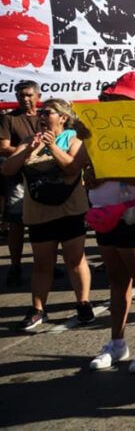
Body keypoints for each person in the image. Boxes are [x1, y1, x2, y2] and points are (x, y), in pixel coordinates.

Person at [85, 72, 135, 373]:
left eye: (124, 98)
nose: (116, 101)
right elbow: (81, 171)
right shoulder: (96, 130)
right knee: (117, 280)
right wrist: (91, 175)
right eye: (114, 96)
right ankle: (117, 343)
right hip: (104, 212)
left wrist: (108, 174)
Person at [1, 98, 93, 331]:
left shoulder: (75, 138)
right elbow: (7, 169)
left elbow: (73, 167)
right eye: (41, 112)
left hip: (70, 210)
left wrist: (52, 147)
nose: (42, 116)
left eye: (48, 112)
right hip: (39, 212)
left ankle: (83, 304)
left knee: (75, 260)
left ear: (62, 117)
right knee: (42, 264)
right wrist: (29, 149)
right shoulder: (29, 140)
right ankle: (38, 309)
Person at [0, 80, 42, 287]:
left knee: (42, 222)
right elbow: (3, 147)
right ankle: (15, 266)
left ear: (37, 96)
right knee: (17, 222)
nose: (24, 99)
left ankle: (43, 264)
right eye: (20, 96)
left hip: (44, 175)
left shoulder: (46, 116)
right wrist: (28, 151)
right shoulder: (9, 119)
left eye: (28, 95)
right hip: (18, 176)